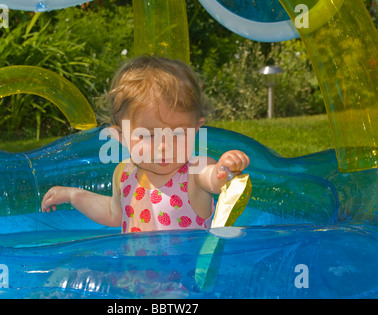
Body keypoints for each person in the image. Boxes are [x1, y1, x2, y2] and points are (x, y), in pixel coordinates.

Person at [41, 55, 250, 233]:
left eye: (177, 134)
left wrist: (224, 169)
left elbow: (213, 179)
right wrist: (74, 195)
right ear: (120, 136)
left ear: (196, 129)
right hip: (134, 278)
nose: (164, 146)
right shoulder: (123, 173)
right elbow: (115, 213)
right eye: (148, 136)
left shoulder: (195, 172)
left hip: (182, 279)